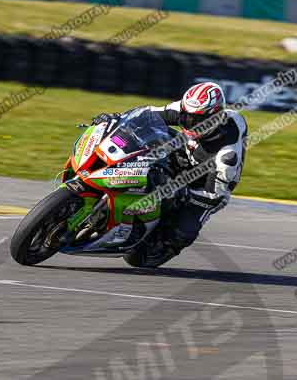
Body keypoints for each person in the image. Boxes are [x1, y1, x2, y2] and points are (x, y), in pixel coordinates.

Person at [92, 82, 247, 265]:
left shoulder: (227, 156)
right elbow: (146, 114)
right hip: (187, 152)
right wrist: (115, 119)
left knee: (185, 228)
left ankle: (166, 243)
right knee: (148, 140)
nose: (188, 122)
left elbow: (214, 194)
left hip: (206, 185)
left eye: (195, 120)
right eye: (186, 116)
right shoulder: (185, 111)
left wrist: (183, 192)